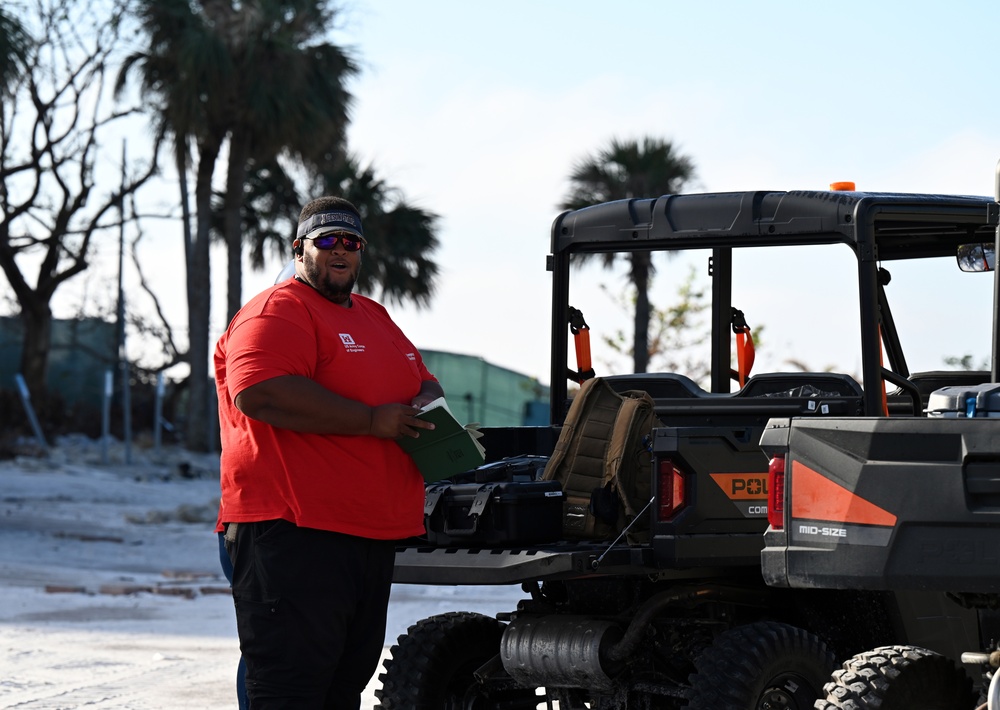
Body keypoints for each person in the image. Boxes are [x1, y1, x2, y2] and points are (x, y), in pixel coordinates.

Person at [215, 196, 442, 709]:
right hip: (293, 529)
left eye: (351, 241)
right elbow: (259, 389)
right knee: (290, 689)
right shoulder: (278, 308)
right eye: (327, 240)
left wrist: (429, 398)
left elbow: (419, 379)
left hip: (367, 532)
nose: (340, 249)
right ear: (300, 250)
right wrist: (369, 421)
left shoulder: (375, 315)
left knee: (344, 686)